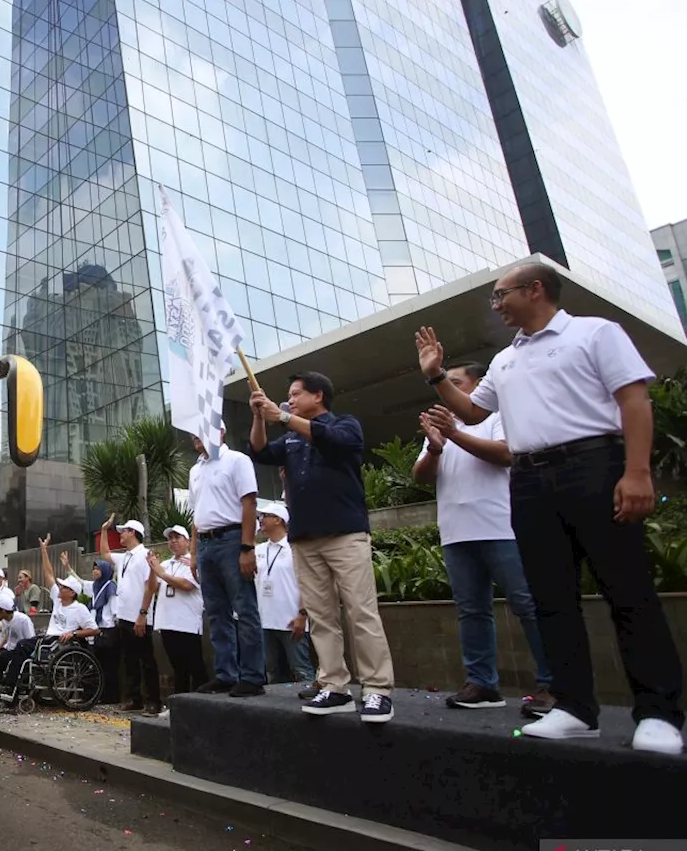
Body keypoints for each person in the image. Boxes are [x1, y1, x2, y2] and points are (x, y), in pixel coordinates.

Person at [416, 261, 683, 754]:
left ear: (535, 289)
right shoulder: (504, 360)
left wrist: (638, 471)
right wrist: (436, 376)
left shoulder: (595, 333)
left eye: (501, 295)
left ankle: (659, 712)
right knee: (551, 598)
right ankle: (575, 708)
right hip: (530, 478)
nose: (495, 306)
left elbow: (634, 399)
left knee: (626, 590)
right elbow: (476, 411)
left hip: (593, 465)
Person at [249, 372, 396, 722]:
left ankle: (377, 689)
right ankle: (334, 685)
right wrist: (258, 416)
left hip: (345, 535)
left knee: (361, 612)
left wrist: (283, 416)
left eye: (296, 394)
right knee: (321, 617)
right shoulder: (290, 440)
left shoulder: (345, 425)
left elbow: (330, 438)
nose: (291, 399)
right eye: (288, 396)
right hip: (305, 539)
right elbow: (259, 450)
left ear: (319, 396)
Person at [412, 364, 553, 713]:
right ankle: (482, 684)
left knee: (527, 605)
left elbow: (506, 454)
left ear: (477, 386)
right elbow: (421, 478)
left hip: (502, 528)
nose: (447, 390)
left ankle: (555, 685)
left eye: (455, 383)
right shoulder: (444, 426)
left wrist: (454, 435)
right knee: (472, 611)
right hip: (456, 533)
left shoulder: (497, 416)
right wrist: (434, 447)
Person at [188, 426, 265, 698]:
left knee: (244, 608)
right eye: (192, 431)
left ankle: (253, 676)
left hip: (232, 539)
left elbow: (249, 503)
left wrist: (247, 546)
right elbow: (196, 515)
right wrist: (194, 553)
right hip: (206, 544)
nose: (195, 435)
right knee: (216, 612)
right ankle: (226, 674)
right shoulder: (195, 470)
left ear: (221, 431)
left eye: (201, 429)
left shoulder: (237, 460)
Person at [98, 516, 161, 714]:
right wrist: (104, 530)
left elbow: (149, 587)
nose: (121, 535)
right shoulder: (124, 556)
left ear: (133, 532)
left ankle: (154, 700)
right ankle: (135, 699)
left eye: (123, 531)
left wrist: (142, 614)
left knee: (146, 661)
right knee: (130, 660)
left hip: (139, 617)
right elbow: (105, 554)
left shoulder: (145, 555)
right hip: (124, 617)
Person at [141, 525, 207, 703]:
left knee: (194, 666)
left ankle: (203, 704)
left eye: (177, 537)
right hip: (167, 622)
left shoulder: (192, 562)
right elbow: (152, 588)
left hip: (187, 624)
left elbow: (187, 585)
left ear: (187, 541)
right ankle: (179, 706)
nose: (173, 541)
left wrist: (161, 573)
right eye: (170, 538)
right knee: (177, 668)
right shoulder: (166, 564)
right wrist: (153, 569)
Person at [255, 503, 315, 686]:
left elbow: (308, 582)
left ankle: (312, 705)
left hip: (291, 621)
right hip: (264, 622)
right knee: (272, 671)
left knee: (301, 669)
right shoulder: (257, 550)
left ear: (278, 519)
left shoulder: (294, 548)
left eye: (265, 515)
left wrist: (302, 615)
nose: (261, 520)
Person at [0, 596, 37, 692]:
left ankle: (4, 683)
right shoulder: (4, 620)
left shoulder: (23, 620)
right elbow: (6, 635)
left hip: (21, 651)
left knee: (1, 657)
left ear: (3, 611)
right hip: (9, 647)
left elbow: (30, 640)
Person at [89, 556, 121, 704]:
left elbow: (114, 609)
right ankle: (101, 695)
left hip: (109, 629)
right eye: (94, 569)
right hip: (98, 629)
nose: (95, 572)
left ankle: (112, 696)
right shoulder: (95, 586)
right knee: (99, 664)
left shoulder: (110, 586)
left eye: (98, 569)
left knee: (110, 665)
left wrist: (116, 625)